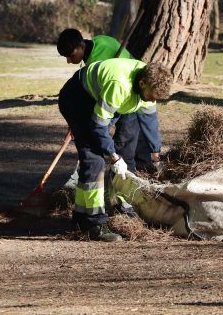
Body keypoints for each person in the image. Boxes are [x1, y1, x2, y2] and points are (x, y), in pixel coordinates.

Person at [58, 58, 172, 241]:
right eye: (152, 96)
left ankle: (80, 217)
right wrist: (114, 157)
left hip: (99, 99)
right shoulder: (119, 85)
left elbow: (149, 120)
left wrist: (156, 153)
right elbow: (98, 126)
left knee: (94, 157)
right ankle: (95, 224)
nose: (153, 100)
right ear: (142, 83)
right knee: (94, 159)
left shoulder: (150, 83)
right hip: (77, 100)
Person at [56, 28, 162, 172]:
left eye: (71, 55)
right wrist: (77, 122)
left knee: (125, 140)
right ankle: (125, 169)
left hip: (128, 92)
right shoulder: (100, 40)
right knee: (107, 135)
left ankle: (128, 174)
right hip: (126, 89)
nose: (69, 61)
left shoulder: (98, 60)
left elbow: (103, 110)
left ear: (81, 46)